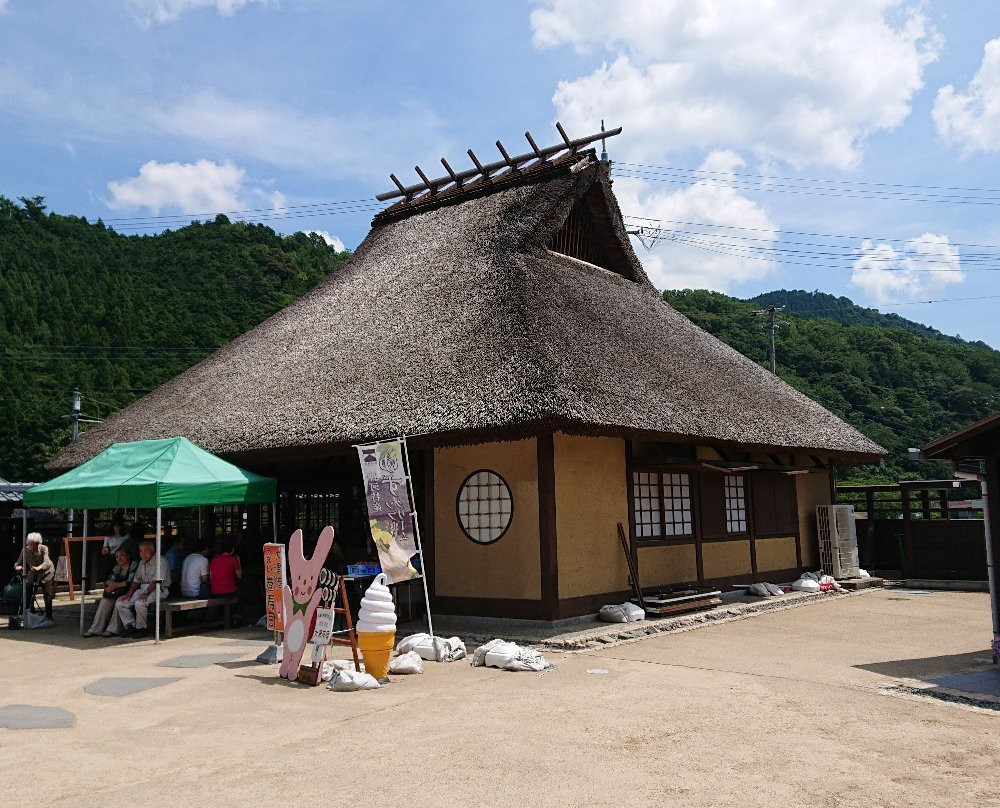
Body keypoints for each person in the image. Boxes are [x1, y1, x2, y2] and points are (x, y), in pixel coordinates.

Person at [114, 540, 169, 639]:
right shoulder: (141, 562)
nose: (143, 554)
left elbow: (157, 581)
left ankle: (142, 628)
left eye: (146, 551)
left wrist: (146, 593)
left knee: (140, 603)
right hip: (143, 588)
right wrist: (129, 594)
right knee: (121, 603)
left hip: (158, 589)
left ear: (153, 550)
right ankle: (131, 626)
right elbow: (136, 580)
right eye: (141, 551)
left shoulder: (160, 560)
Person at [84, 549, 137, 637]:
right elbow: (110, 580)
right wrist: (108, 587)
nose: (119, 558)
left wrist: (115, 585)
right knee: (104, 602)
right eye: (117, 557)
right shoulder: (117, 567)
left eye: (122, 555)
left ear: (128, 556)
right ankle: (95, 629)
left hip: (130, 592)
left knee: (118, 603)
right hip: (117, 592)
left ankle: (112, 630)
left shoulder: (134, 565)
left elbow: (130, 582)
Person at [15, 533, 55, 620]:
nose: (32, 546)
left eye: (35, 544)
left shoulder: (44, 548)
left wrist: (38, 567)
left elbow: (46, 562)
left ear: (38, 543)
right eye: (30, 544)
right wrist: (17, 567)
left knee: (47, 594)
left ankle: (49, 616)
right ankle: (30, 615)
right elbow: (18, 563)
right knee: (29, 593)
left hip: (46, 572)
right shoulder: (25, 550)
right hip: (32, 573)